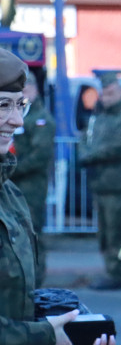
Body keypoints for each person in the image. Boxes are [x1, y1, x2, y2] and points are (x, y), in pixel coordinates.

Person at [0, 49, 115, 345]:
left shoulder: (11, 194)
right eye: (1, 106)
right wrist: (45, 337)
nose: (14, 121)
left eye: (18, 106)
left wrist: (70, 325)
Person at [78, 72, 121, 290]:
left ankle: (116, 274)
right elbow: (85, 138)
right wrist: (84, 152)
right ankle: (110, 270)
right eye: (104, 93)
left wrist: (90, 156)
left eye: (111, 92)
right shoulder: (100, 116)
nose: (106, 96)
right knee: (104, 234)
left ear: (120, 92)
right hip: (99, 185)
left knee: (116, 233)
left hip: (117, 186)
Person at [9, 76, 55, 286]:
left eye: (25, 87)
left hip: (31, 187)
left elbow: (40, 155)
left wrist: (12, 168)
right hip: (13, 184)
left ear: (34, 89)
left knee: (31, 233)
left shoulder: (41, 118)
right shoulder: (16, 113)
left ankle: (35, 282)